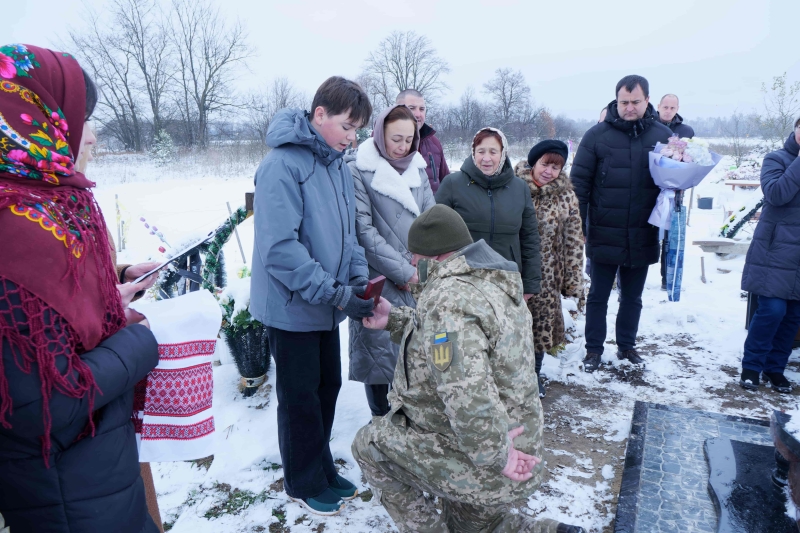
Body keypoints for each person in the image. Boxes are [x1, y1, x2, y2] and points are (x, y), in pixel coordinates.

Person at [0, 44, 160, 532]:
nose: (90, 134)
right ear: (39, 121)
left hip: (92, 470)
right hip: (65, 491)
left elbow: (51, 308)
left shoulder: (47, 206)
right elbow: (53, 400)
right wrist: (143, 339)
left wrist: (112, 282)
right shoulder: (14, 231)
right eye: (80, 117)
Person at [352, 205, 585, 533]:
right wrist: (395, 318)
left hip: (493, 455)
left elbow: (468, 394)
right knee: (475, 527)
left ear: (433, 259)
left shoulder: (448, 302)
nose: (412, 268)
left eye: (414, 259)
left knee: (369, 445)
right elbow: (464, 342)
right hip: (512, 442)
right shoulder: (486, 280)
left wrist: (497, 456)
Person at [249, 76, 375, 516]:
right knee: (300, 396)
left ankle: (319, 465)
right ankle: (301, 480)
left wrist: (357, 281)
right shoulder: (282, 166)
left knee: (328, 387)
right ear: (319, 115)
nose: (352, 136)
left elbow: (348, 234)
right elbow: (280, 249)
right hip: (291, 306)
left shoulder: (336, 163)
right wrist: (337, 293)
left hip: (325, 304)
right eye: (346, 125)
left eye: (357, 128)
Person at [77, 122, 166, 532]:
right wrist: (111, 302)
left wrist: (122, 272)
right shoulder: (21, 212)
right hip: (79, 403)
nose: (93, 137)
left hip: (109, 384)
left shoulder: (71, 196)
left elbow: (80, 276)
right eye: (80, 122)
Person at [571, 75, 672, 373]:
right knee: (598, 296)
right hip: (604, 227)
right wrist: (581, 226)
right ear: (616, 101)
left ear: (647, 101)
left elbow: (672, 179)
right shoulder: (597, 136)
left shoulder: (663, 136)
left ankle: (627, 346)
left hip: (643, 229)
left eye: (635, 102)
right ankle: (593, 350)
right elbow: (579, 183)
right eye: (623, 102)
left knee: (633, 297)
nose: (629, 108)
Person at [346, 104, 435, 417]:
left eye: (409, 139)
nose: (403, 146)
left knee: (417, 364)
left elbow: (432, 223)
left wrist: (421, 271)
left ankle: (410, 440)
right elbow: (363, 231)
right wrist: (404, 271)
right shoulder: (359, 170)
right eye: (396, 138)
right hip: (380, 281)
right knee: (381, 364)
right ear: (380, 134)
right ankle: (380, 437)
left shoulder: (418, 170)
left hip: (417, 280)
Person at [436, 127, 541, 301]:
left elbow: (530, 238)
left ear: (503, 154)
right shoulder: (453, 184)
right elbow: (435, 233)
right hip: (461, 281)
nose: (486, 158)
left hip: (506, 280)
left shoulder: (519, 188)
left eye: (493, 152)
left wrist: (529, 284)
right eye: (481, 151)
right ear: (473, 152)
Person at [515, 141, 585, 397]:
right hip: (513, 269)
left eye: (556, 167)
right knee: (509, 326)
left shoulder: (565, 196)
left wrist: (573, 279)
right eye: (545, 164)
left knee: (540, 328)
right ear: (534, 162)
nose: (549, 171)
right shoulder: (513, 187)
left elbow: (574, 240)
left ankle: (534, 377)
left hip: (547, 276)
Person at [739, 119, 800, 394]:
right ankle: (751, 367)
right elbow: (776, 194)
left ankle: (775, 368)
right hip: (776, 251)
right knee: (772, 310)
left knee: (793, 316)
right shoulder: (776, 159)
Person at [656, 94, 694, 290]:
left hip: (674, 191)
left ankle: (667, 278)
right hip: (649, 189)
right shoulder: (649, 126)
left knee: (671, 237)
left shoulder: (685, 131)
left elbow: (693, 158)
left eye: (672, 107)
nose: (668, 111)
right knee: (648, 234)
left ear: (677, 108)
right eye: (665, 107)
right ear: (658, 106)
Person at [396, 89, 449, 193]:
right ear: (396, 110)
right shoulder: (383, 142)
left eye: (422, 109)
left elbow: (446, 183)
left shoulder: (434, 143)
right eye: (412, 108)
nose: (418, 114)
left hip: (432, 207)